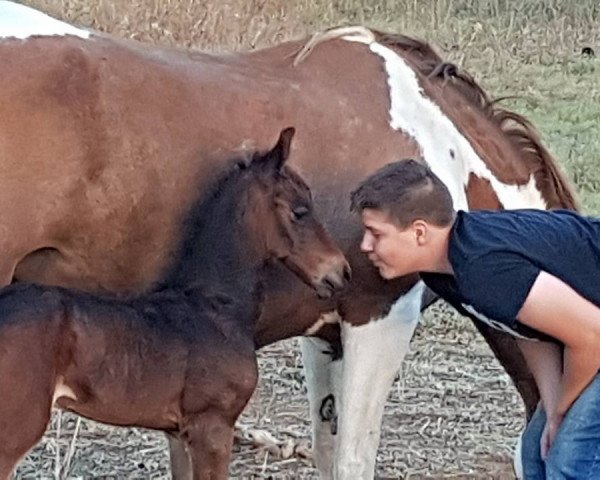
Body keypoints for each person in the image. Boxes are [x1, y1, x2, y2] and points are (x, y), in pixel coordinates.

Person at [350, 159, 600, 479]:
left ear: (419, 232)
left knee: (570, 460)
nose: (365, 246)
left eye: (375, 234)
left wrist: (564, 409)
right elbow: (528, 328)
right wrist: (551, 411)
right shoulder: (443, 273)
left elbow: (591, 335)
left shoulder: (484, 266)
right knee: (535, 450)